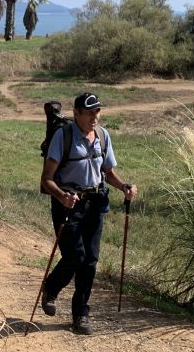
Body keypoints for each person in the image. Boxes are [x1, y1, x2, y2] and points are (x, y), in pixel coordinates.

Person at [39, 92, 137, 335]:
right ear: (76, 113)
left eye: (97, 111)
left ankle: (80, 314)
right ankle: (51, 288)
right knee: (75, 256)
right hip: (67, 204)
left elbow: (108, 173)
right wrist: (62, 196)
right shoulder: (64, 136)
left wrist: (124, 186)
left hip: (95, 203)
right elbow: (47, 179)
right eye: (89, 112)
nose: (95, 117)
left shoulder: (103, 136)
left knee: (90, 261)